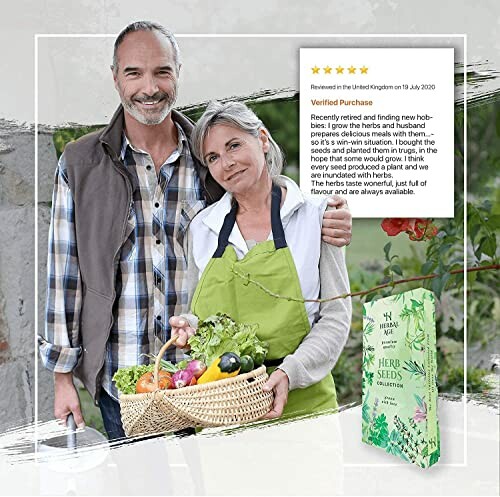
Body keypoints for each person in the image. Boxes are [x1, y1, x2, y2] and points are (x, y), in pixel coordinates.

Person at [38, 21, 352, 440]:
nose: (149, 87)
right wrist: (63, 375)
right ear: (115, 77)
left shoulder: (203, 156)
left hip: (213, 384)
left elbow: (258, 203)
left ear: (178, 73)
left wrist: (329, 214)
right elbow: (65, 273)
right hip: (129, 382)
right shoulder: (80, 165)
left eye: (162, 71)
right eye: (134, 72)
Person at [170, 101, 352, 419]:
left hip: (304, 406)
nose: (226, 163)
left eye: (234, 145)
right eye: (213, 157)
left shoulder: (316, 216)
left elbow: (335, 316)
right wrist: (189, 328)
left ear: (263, 139)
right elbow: (202, 317)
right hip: (222, 409)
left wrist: (290, 372)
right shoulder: (202, 229)